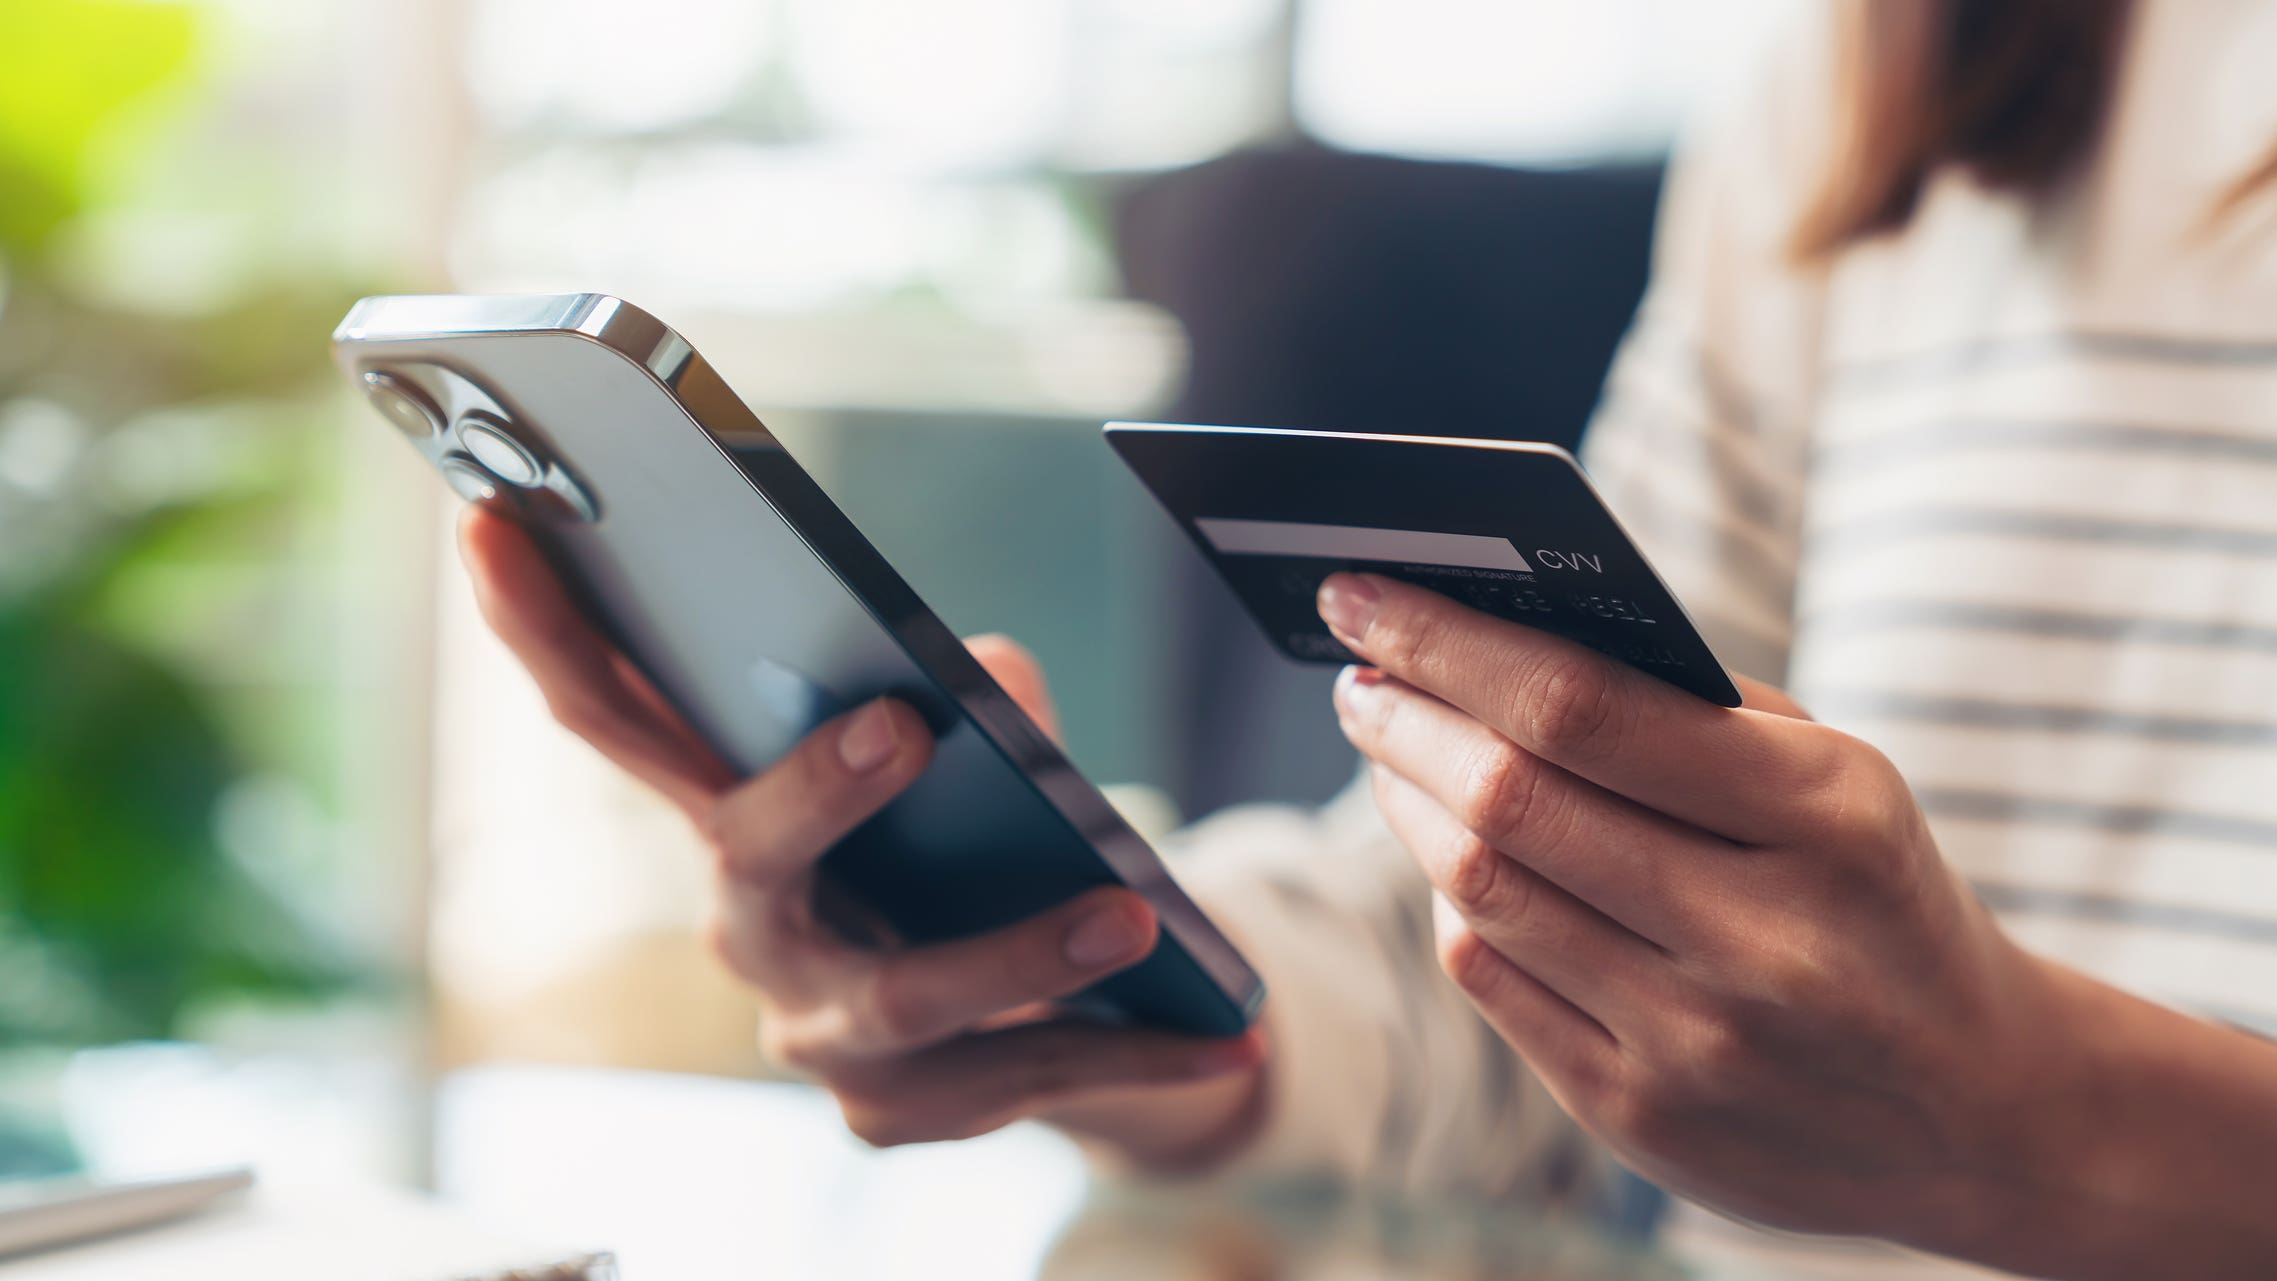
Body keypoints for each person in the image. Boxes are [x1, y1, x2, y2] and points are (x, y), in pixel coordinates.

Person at [456, 2, 2277, 1276]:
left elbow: (1913, 1091)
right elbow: (1527, 1014)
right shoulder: (1889, 74)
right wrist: (1100, 975)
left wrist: (2029, 1122)